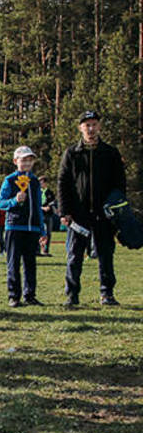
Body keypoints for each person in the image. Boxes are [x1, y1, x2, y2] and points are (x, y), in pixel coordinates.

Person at [57, 110, 126, 307]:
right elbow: (63, 183)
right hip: (78, 214)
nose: (91, 128)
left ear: (99, 126)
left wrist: (117, 208)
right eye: (87, 125)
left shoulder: (110, 153)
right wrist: (64, 211)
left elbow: (120, 183)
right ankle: (72, 294)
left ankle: (107, 293)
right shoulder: (71, 153)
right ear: (80, 128)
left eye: (94, 124)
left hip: (104, 214)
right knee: (74, 254)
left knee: (105, 254)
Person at [0, 146, 46, 307]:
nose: (26, 163)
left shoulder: (35, 181)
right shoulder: (10, 180)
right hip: (14, 227)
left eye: (29, 160)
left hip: (32, 229)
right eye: (23, 160)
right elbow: (0, 203)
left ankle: (30, 295)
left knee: (30, 263)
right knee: (13, 263)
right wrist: (14, 201)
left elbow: (38, 205)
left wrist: (42, 229)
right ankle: (14, 296)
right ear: (15, 161)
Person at [39, 176, 56, 256]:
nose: (40, 184)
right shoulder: (37, 192)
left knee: (48, 233)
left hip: (48, 215)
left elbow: (53, 201)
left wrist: (49, 206)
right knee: (39, 232)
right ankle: (38, 249)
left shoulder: (50, 192)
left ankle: (46, 250)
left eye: (41, 182)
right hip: (40, 214)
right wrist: (42, 207)